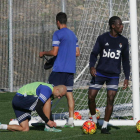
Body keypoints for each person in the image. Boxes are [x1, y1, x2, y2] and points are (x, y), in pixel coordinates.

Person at [88, 16, 130, 134]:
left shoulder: (124, 41)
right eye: (119, 24)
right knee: (91, 97)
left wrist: (127, 77)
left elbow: (126, 61)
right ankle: (95, 120)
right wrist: (92, 66)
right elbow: (94, 54)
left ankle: (105, 126)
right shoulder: (102, 38)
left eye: (121, 24)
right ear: (113, 26)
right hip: (99, 73)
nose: (122, 26)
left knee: (110, 99)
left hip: (113, 76)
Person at [39, 12, 80, 128]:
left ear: (57, 22)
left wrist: (43, 53)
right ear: (65, 21)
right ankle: (71, 120)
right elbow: (77, 53)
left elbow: (54, 52)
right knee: (69, 94)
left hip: (59, 69)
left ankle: (47, 121)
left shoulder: (57, 34)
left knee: (48, 94)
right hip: (70, 69)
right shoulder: (73, 35)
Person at [0, 82, 67, 132]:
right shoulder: (47, 90)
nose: (59, 97)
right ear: (57, 90)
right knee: (47, 99)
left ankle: (2, 126)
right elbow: (38, 107)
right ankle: (48, 127)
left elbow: (48, 110)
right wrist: (47, 121)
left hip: (18, 103)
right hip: (20, 99)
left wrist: (52, 121)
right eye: (60, 95)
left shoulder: (50, 91)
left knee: (25, 129)